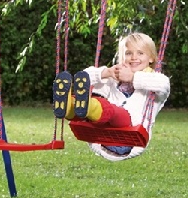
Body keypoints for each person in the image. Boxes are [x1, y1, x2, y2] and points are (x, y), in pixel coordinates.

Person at [52, 32, 170, 160]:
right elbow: (84, 76)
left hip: (127, 140)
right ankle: (69, 107)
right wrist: (106, 72)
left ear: (151, 58)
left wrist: (132, 77)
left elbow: (164, 85)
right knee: (93, 101)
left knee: (112, 111)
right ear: (122, 56)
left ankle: (87, 106)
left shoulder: (154, 80)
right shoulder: (114, 78)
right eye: (128, 53)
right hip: (99, 134)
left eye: (140, 53)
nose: (134, 57)